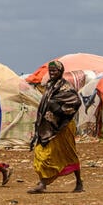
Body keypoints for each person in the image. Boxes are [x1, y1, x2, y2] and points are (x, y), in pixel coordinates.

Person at [28, 60, 83, 194]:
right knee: (41, 152)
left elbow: (76, 101)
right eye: (50, 70)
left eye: (55, 71)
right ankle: (43, 183)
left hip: (62, 126)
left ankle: (79, 182)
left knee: (69, 154)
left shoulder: (65, 87)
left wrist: (60, 108)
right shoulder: (50, 85)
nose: (52, 73)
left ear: (60, 71)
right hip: (47, 127)